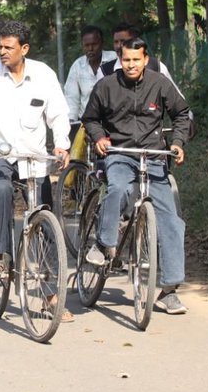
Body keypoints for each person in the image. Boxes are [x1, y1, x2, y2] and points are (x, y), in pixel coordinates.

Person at [81, 36, 192, 315]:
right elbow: (90, 118)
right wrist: (99, 137)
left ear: (145, 59)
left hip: (153, 157)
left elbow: (182, 114)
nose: (131, 65)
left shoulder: (160, 84)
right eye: (126, 60)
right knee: (117, 188)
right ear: (120, 60)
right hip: (120, 154)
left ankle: (169, 290)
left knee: (172, 221)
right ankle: (104, 243)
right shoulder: (106, 86)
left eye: (136, 60)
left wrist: (178, 143)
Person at [0, 21, 70, 280]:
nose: (2, 52)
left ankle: (51, 281)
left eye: (8, 47)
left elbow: (58, 114)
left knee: (44, 214)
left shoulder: (44, 74)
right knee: (1, 190)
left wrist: (61, 143)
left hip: (34, 157)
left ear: (24, 49)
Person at [63, 25, 118, 135]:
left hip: (113, 121)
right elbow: (72, 98)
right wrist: (72, 123)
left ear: (102, 43)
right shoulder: (78, 66)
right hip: (87, 123)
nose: (90, 49)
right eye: (86, 45)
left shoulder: (114, 59)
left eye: (94, 44)